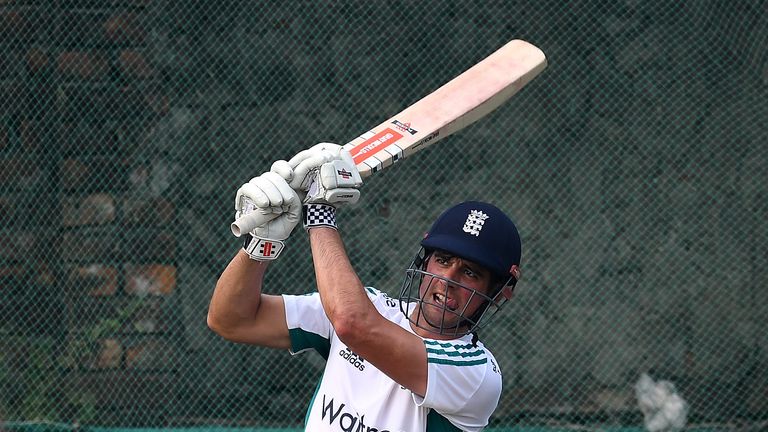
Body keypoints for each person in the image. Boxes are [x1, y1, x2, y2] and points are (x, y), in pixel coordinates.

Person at [207, 143, 522, 432]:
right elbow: (231, 320)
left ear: (500, 292)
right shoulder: (371, 306)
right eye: (442, 259)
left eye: (470, 272)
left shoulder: (476, 374)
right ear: (425, 262)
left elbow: (352, 324)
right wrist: (262, 242)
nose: (448, 280)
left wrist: (318, 212)